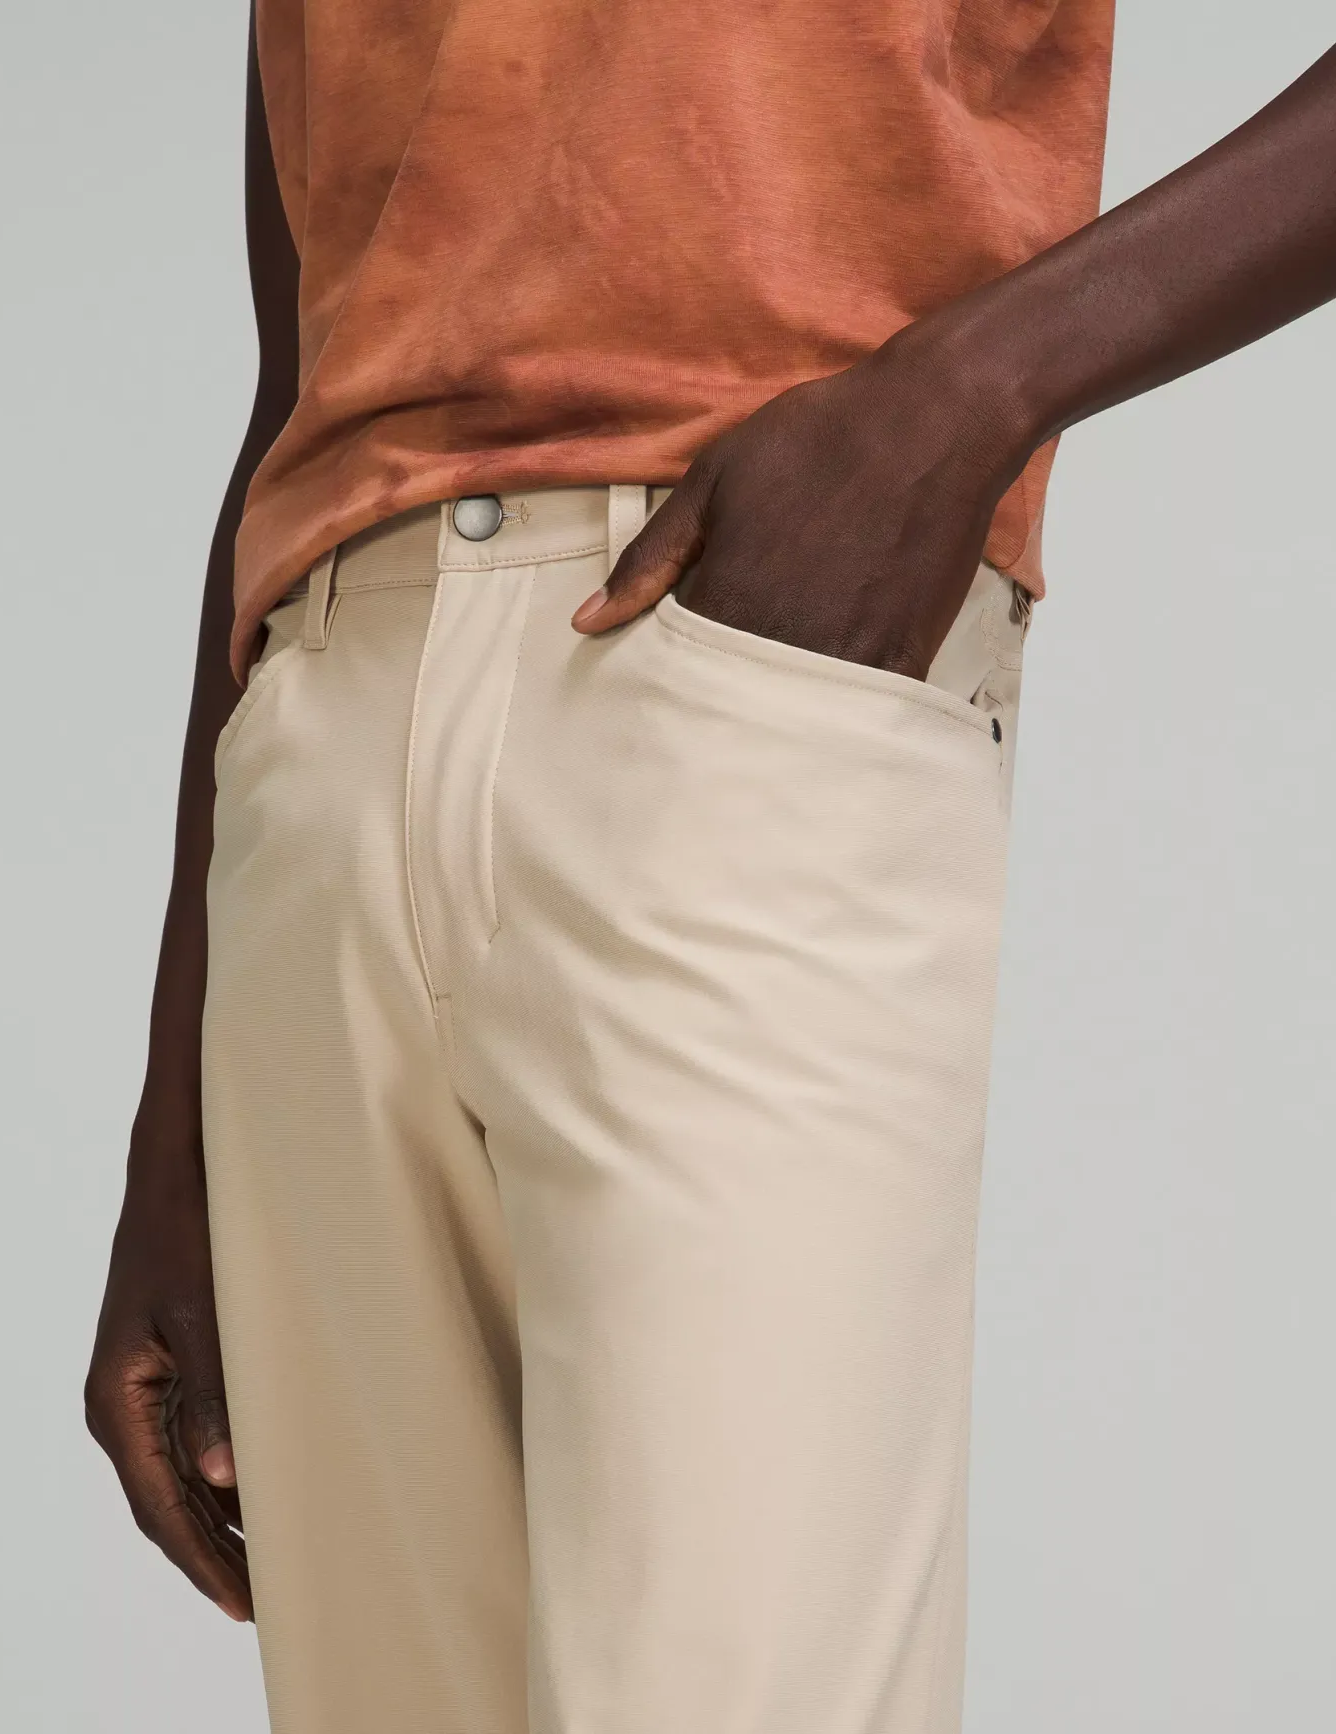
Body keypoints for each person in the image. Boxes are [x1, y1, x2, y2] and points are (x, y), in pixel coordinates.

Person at [85, 3, 1336, 1729]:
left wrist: (974, 390)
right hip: (320, 738)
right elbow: (305, 346)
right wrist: (175, 1135)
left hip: (734, 658)